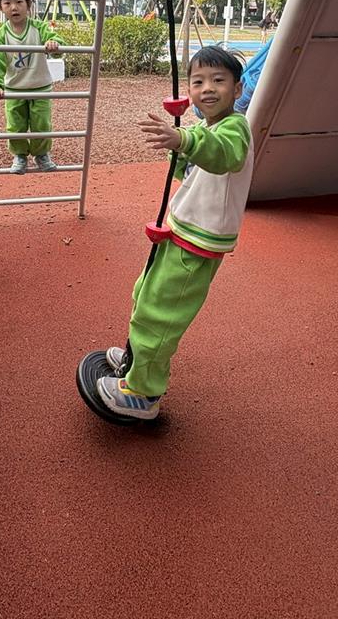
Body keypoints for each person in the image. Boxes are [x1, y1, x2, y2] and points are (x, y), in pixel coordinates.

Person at [96, 45, 254, 420]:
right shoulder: (204, 128)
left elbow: (223, 155)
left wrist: (185, 141)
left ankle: (143, 392)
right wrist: (179, 148)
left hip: (197, 244)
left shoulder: (235, 129)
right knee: (145, 293)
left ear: (238, 88)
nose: (207, 88)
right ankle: (138, 359)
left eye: (218, 80)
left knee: (161, 315)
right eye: (198, 82)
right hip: (180, 231)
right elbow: (191, 170)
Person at [0, 0, 65, 174]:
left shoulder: (38, 27)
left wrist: (53, 44)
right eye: (7, 3)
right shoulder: (2, 35)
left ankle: (41, 154)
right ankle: (19, 155)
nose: (14, 7)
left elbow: (56, 41)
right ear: (1, 7)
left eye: (19, 2)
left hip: (40, 87)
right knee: (15, 126)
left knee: (42, 124)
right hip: (15, 89)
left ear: (28, 4)